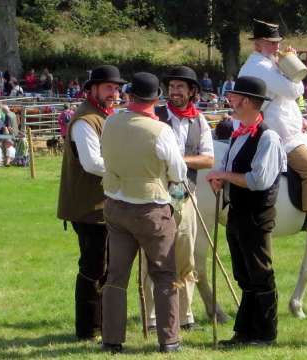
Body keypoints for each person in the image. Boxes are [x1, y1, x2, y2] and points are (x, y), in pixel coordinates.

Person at [238, 19, 307, 248]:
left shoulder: (266, 63)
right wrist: (291, 67)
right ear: (257, 44)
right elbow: (294, 89)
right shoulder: (261, 66)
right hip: (277, 135)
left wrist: (299, 119)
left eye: (277, 42)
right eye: (270, 43)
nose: (276, 47)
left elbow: (286, 100)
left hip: (289, 130)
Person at [100, 72, 186, 354]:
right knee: (163, 273)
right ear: (156, 99)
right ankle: (169, 339)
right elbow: (178, 172)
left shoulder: (111, 121)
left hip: (115, 203)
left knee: (116, 276)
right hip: (151, 209)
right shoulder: (160, 131)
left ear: (129, 95)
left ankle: (112, 339)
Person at [206, 76, 285, 347]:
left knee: (260, 273)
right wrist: (221, 179)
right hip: (237, 213)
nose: (230, 101)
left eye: (234, 98)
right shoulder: (238, 133)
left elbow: (258, 180)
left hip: (256, 214)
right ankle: (245, 332)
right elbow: (233, 171)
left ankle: (265, 334)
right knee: (243, 274)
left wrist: (224, 174)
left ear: (248, 102)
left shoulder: (269, 137)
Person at [139, 65, 215, 332]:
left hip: (186, 195)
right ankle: (150, 317)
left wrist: (178, 160)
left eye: (180, 87)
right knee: (154, 257)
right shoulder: (155, 117)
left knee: (186, 257)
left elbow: (208, 159)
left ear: (192, 91)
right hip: (157, 195)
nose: (175, 91)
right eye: (171, 86)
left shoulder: (200, 121)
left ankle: (185, 316)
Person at [57, 65, 127, 341]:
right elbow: (92, 163)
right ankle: (88, 329)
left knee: (104, 266)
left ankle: (99, 324)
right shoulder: (86, 120)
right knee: (93, 267)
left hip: (102, 204)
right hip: (88, 207)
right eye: (109, 87)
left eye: (117, 88)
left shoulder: (104, 116)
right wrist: (128, 167)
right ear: (92, 89)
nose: (114, 93)